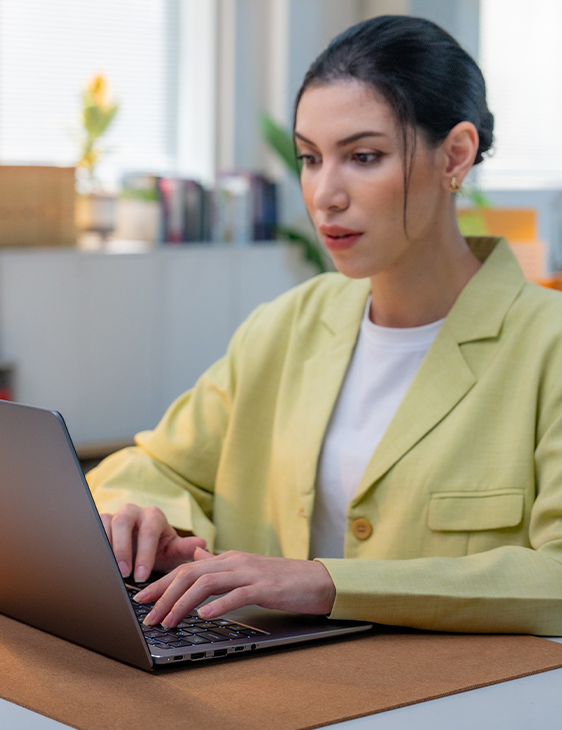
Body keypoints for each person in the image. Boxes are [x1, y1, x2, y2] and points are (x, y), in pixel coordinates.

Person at [87, 15, 562, 636]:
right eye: (311, 158)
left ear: (456, 154)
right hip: (273, 687)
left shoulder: (547, 347)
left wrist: (327, 583)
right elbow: (155, 466)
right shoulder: (289, 324)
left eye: (364, 157)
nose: (324, 195)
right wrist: (150, 519)